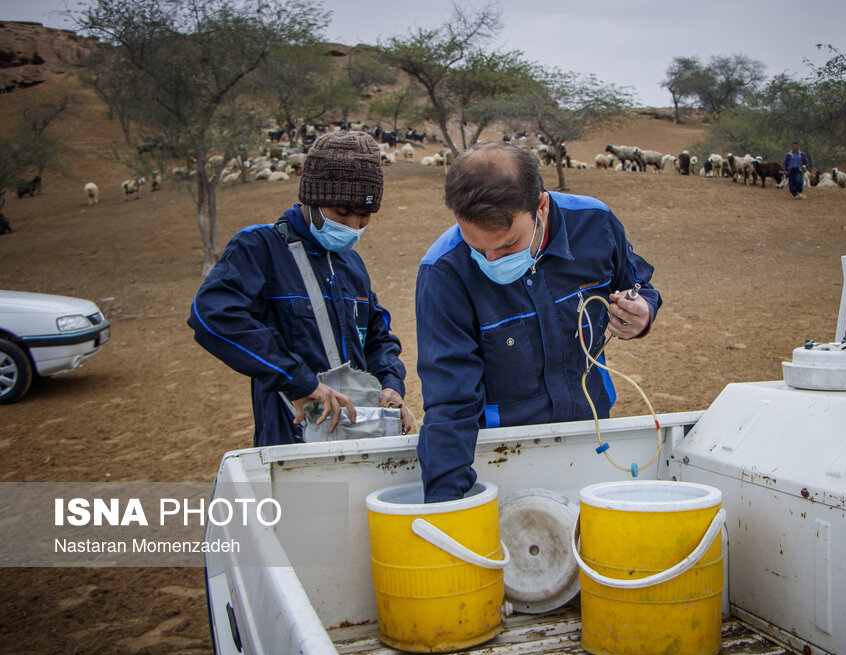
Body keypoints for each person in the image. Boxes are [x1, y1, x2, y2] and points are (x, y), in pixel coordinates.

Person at [415, 142, 662, 502]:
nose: (492, 259)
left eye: (508, 246)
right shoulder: (443, 273)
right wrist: (446, 506)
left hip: (592, 438)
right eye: (477, 247)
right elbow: (449, 403)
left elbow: (638, 284)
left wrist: (643, 312)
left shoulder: (595, 223)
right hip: (503, 456)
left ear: (541, 207)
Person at [188, 131, 410, 446]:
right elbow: (211, 315)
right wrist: (299, 381)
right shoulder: (260, 248)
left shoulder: (352, 265)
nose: (352, 227)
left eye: (364, 217)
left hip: (359, 436)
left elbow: (377, 336)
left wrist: (391, 384)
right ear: (311, 199)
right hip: (292, 438)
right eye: (342, 214)